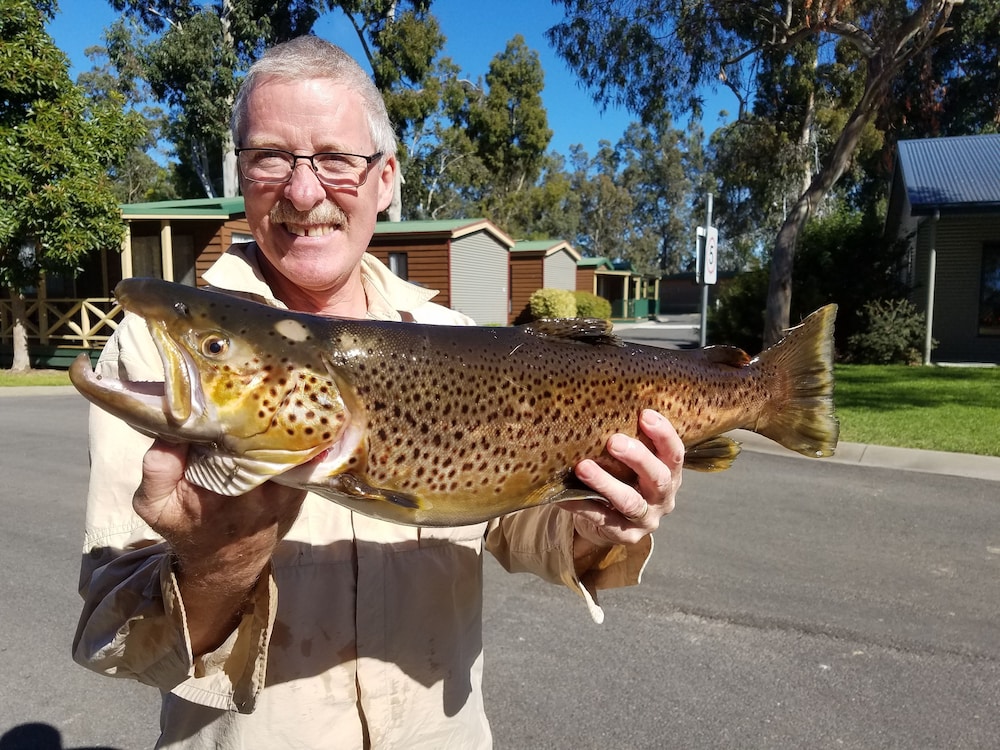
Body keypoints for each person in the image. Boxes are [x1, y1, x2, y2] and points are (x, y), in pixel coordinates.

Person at [73, 35, 684, 749]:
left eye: (336, 159)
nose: (304, 192)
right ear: (241, 175)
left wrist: (595, 526)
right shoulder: (163, 351)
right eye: (271, 156)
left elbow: (513, 519)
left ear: (386, 178)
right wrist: (217, 561)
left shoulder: (455, 337)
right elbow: (117, 638)